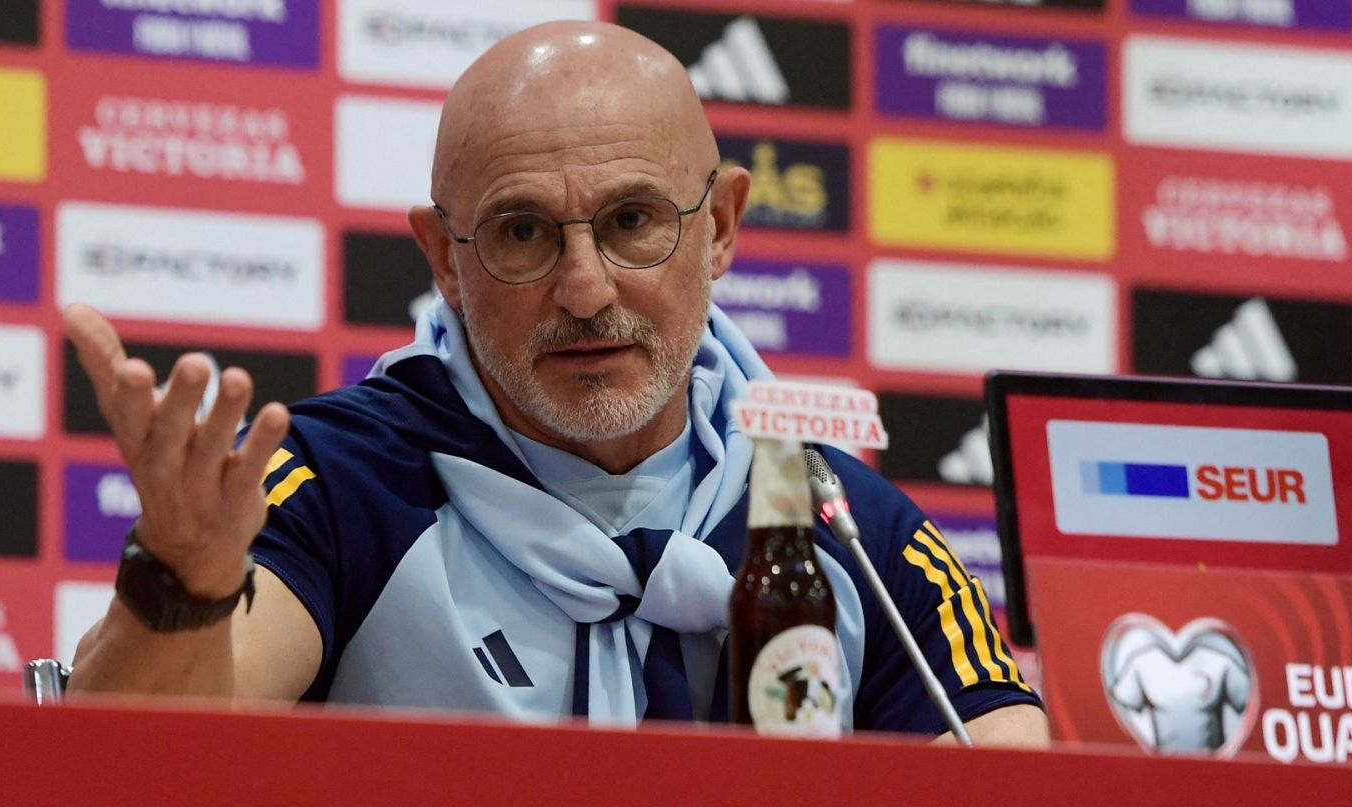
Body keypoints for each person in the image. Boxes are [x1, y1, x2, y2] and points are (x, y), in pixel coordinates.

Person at [63, 21, 1046, 745]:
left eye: (631, 221)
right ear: (444, 261)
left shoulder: (847, 528)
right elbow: (131, 771)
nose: (584, 290)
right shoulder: (334, 482)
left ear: (721, 227)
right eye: (522, 233)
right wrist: (176, 583)